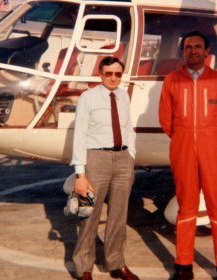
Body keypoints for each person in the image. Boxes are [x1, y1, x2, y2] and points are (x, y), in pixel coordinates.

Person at [158, 31, 217, 280]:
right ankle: (183, 265)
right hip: (182, 150)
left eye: (197, 46)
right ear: (183, 51)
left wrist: (208, 137)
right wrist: (184, 138)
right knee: (186, 208)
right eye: (188, 47)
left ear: (207, 51)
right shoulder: (171, 80)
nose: (192, 50)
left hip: (212, 149)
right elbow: (165, 119)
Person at [70, 56, 139, 280]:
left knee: (119, 215)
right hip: (95, 159)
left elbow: (128, 127)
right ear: (100, 74)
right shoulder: (87, 97)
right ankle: (84, 267)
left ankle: (116, 263)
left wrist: (131, 154)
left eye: (118, 74)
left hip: (122, 160)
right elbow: (79, 134)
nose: (113, 78)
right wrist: (80, 173)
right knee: (88, 214)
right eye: (109, 73)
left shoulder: (123, 96)